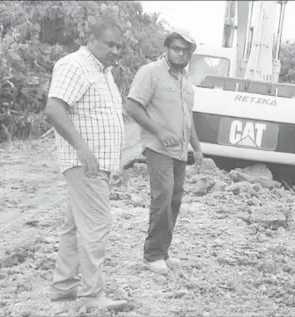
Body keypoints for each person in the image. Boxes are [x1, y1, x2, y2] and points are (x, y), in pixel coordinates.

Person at [43, 18, 128, 310]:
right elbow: (54, 108)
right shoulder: (76, 65)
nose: (116, 51)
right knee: (97, 224)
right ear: (92, 40)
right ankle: (92, 295)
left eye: (119, 46)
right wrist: (83, 149)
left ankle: (63, 286)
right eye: (110, 44)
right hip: (86, 163)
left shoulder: (103, 72)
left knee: (75, 226)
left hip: (95, 163)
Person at [125, 29, 203, 275]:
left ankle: (163, 251)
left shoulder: (186, 82)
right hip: (158, 149)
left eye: (185, 50)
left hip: (180, 152)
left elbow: (187, 119)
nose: (180, 54)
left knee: (174, 200)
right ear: (167, 49)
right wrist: (158, 131)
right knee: (163, 197)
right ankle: (152, 255)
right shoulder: (151, 73)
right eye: (176, 49)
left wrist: (198, 149)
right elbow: (132, 106)